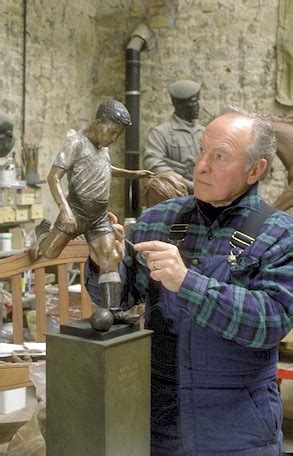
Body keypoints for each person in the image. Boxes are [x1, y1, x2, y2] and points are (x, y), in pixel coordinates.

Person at [85, 107, 293, 455]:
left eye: (220, 156)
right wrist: (105, 265)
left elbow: (269, 322)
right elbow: (117, 302)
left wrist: (187, 282)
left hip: (239, 431)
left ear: (255, 170)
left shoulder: (280, 234)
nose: (201, 166)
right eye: (201, 151)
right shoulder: (157, 220)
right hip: (160, 425)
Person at [33, 100, 153, 326]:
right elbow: (53, 177)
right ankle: (42, 231)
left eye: (118, 135)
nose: (114, 139)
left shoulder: (103, 149)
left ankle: (114, 310)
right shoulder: (76, 143)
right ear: (99, 123)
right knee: (49, 252)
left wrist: (133, 174)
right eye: (112, 132)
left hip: (98, 215)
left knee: (109, 258)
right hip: (76, 210)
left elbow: (106, 169)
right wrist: (65, 211)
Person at [143, 79, 205, 194]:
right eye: (193, 102)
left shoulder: (204, 132)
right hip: (175, 197)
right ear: (179, 104)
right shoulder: (160, 133)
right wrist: (186, 184)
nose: (198, 106)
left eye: (198, 101)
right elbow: (153, 163)